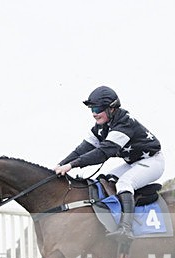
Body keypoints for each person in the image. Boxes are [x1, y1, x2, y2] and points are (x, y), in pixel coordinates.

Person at [54, 86, 164, 241]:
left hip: (152, 161)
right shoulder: (101, 127)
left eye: (98, 108)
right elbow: (82, 150)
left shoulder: (124, 123)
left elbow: (102, 153)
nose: (94, 113)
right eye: (92, 108)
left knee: (124, 183)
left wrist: (71, 166)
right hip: (134, 162)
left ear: (111, 109)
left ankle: (126, 229)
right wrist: (60, 165)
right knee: (105, 180)